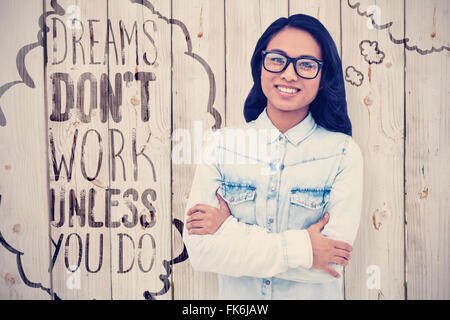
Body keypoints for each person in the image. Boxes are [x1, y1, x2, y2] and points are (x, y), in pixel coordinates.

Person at [182, 13, 364, 300]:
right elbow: (202, 253)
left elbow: (328, 263)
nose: (289, 74)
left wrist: (228, 229)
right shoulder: (222, 145)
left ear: (322, 75)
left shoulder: (342, 154)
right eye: (278, 59)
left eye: (305, 64)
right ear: (260, 65)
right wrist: (305, 249)